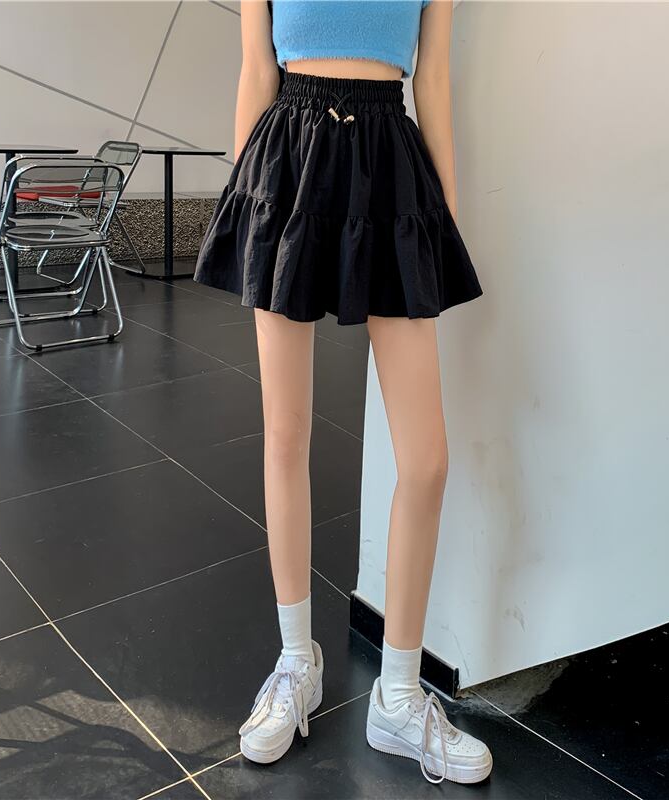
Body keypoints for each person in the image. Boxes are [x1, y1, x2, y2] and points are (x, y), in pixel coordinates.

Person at [193, 0, 492, 786]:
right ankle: (297, 662)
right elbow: (257, 67)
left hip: (391, 160)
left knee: (426, 460)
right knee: (285, 434)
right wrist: (247, 205)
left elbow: (434, 80)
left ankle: (398, 695)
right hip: (286, 154)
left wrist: (445, 217)